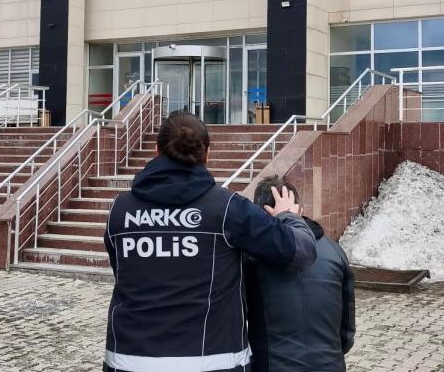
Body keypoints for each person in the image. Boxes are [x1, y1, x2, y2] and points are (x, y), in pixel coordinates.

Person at [103, 112, 317, 372]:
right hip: (211, 362)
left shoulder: (120, 210)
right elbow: (301, 251)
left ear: (156, 151)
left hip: (128, 361)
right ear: (206, 154)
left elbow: (124, 272)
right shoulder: (228, 209)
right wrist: (288, 216)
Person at [245, 176, 356, 372]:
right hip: (329, 365)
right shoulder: (335, 251)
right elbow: (346, 332)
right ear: (300, 210)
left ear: (260, 213)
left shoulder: (251, 255)